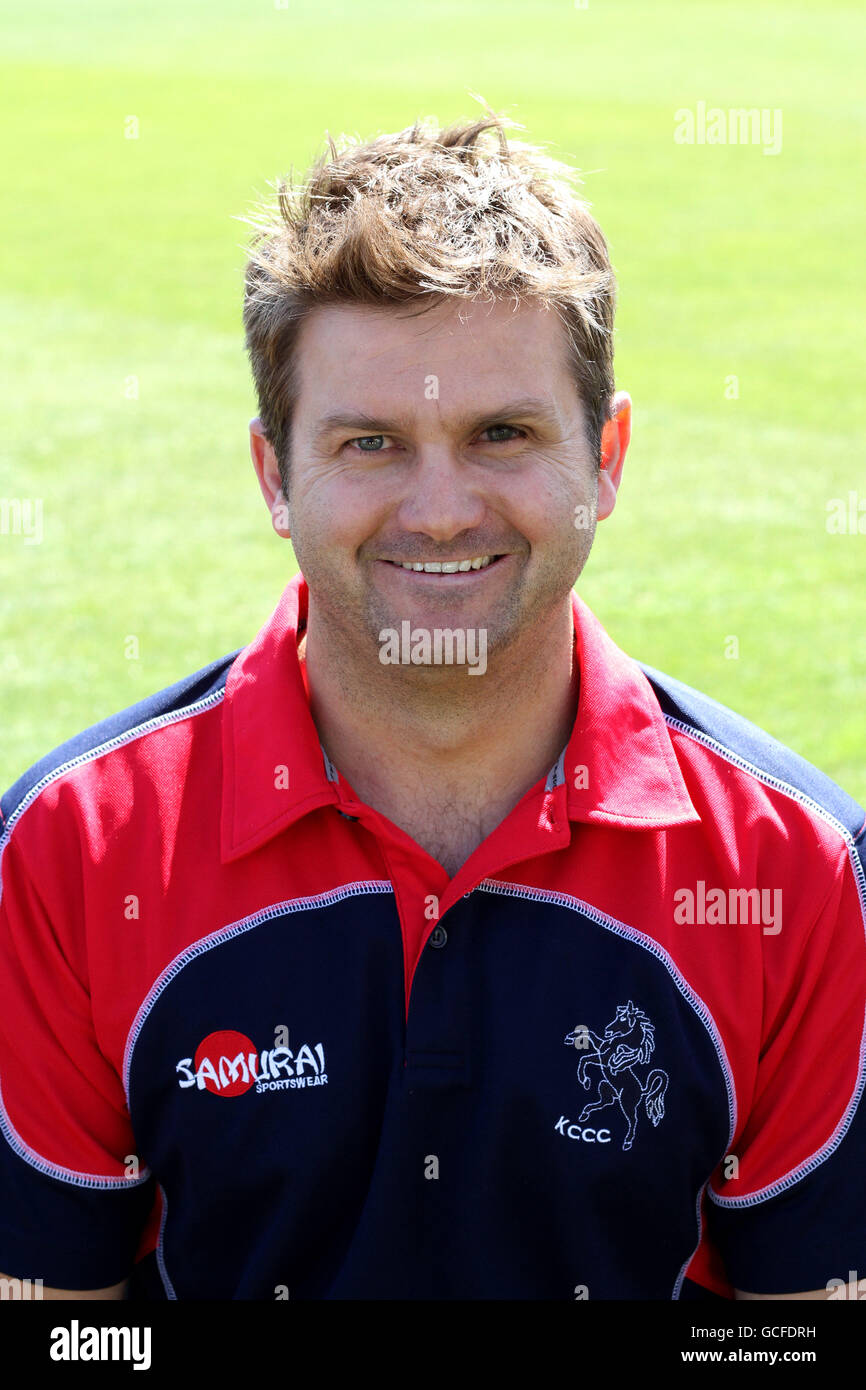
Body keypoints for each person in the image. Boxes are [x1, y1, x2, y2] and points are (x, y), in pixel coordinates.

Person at [1, 108, 864, 1303]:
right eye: (370, 444)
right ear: (272, 474)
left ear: (605, 457)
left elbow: (797, 1321)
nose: (443, 508)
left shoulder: (795, 866)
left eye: (501, 433)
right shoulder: (69, 849)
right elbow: (57, 1321)